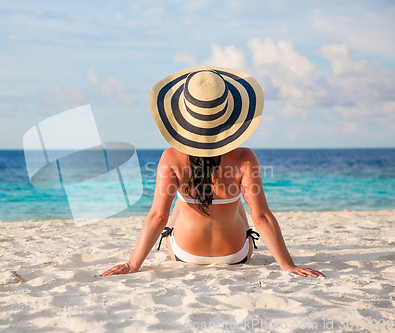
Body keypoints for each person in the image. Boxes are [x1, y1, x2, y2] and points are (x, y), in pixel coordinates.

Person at [101, 66, 324, 278]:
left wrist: (132, 264)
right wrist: (288, 265)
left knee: (179, 202)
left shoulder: (171, 157)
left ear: (184, 115)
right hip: (235, 254)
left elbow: (158, 216)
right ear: (229, 114)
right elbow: (262, 216)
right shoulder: (245, 158)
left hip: (185, 253)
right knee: (239, 205)